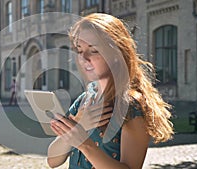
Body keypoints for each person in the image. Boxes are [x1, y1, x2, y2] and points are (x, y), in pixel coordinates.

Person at [47, 13, 174, 169]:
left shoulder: (130, 105)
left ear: (116, 54)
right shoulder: (84, 100)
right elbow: (53, 161)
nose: (84, 58)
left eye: (93, 50)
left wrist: (85, 144)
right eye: (80, 50)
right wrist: (80, 124)